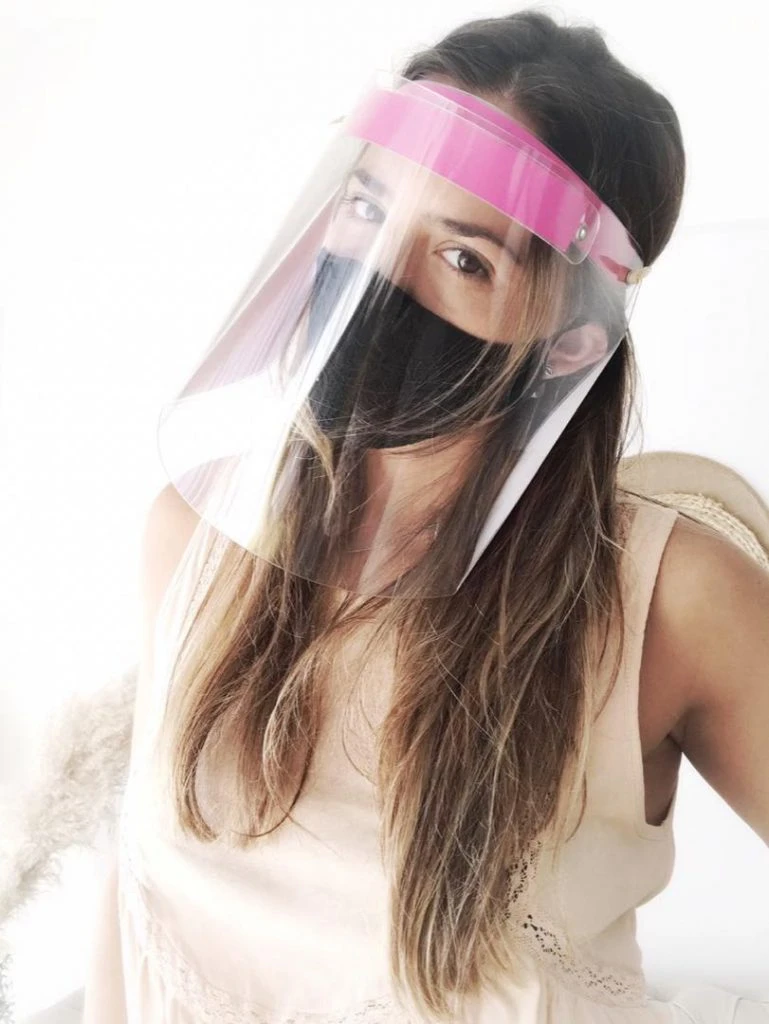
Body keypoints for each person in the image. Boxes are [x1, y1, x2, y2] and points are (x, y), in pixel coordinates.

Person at [82, 9, 769, 1023]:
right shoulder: (196, 537)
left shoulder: (672, 597)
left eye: (463, 257)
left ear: (572, 341)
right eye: (368, 208)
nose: (375, 277)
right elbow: (142, 909)